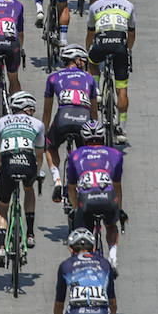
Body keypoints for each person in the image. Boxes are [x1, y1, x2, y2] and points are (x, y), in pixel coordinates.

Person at [65, 118, 124, 270]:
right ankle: (113, 257)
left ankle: (83, 262)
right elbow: (117, 186)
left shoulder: (75, 155)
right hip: (108, 198)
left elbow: (71, 188)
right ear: (103, 137)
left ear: (83, 139)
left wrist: (76, 209)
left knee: (82, 232)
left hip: (87, 200)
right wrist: (119, 210)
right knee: (111, 226)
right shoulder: (116, 154)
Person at [0, 90, 44, 264]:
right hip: (28, 162)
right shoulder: (37, 124)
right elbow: (39, 155)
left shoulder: (2, 121)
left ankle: (1, 247)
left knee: (3, 207)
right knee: (28, 189)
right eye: (32, 110)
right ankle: (30, 233)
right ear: (27, 109)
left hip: (8, 164)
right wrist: (38, 173)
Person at [43, 44, 98, 201]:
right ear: (77, 60)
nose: (85, 64)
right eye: (84, 61)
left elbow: (47, 112)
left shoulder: (53, 78)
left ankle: (57, 180)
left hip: (63, 118)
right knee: (87, 152)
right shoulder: (89, 78)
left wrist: (44, 135)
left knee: (50, 147)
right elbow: (94, 113)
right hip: (84, 119)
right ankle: (84, 183)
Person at [85, 0, 135, 142]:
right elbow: (131, 32)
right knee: (122, 89)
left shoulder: (95, 6)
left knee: (92, 62)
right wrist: (128, 50)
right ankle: (122, 129)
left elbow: (90, 32)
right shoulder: (128, 5)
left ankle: (97, 91)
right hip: (120, 44)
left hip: (102, 42)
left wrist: (87, 51)